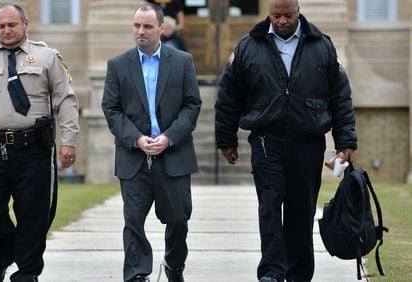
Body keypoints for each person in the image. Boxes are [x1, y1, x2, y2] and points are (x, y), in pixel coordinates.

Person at [214, 0, 357, 281]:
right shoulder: (248, 47)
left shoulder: (322, 46)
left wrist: (345, 142)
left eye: (288, 15)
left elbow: (341, 97)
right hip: (267, 141)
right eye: (276, 15)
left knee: (301, 209)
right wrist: (226, 139)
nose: (282, 21)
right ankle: (271, 271)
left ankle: (299, 272)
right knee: (269, 206)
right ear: (269, 12)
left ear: (298, 10)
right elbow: (228, 97)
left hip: (308, 141)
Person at [0, 4, 79, 282]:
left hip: (34, 149)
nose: (6, 30)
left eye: (12, 25)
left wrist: (69, 141)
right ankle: (0, 260)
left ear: (25, 24)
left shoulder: (47, 56)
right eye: (1, 26)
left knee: (32, 214)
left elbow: (66, 100)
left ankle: (27, 273)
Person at [101, 3, 201, 282]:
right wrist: (136, 138)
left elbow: (192, 106)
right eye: (136, 26)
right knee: (133, 221)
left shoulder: (182, 62)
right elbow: (111, 109)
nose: (141, 31)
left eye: (147, 26)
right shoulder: (118, 65)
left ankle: (174, 266)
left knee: (179, 220)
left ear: (161, 28)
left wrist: (169, 137)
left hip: (174, 155)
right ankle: (136, 274)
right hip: (134, 158)